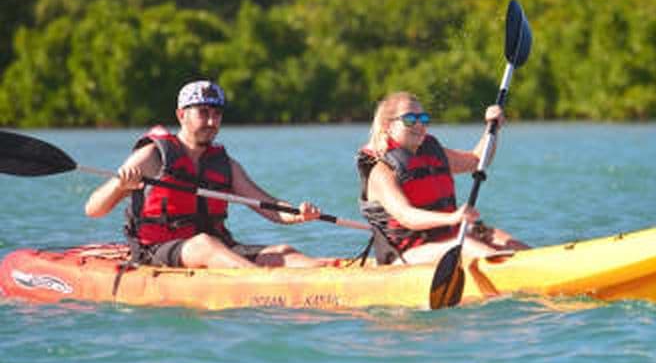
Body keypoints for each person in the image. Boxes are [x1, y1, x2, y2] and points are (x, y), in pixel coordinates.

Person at [85, 80, 326, 269]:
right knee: (205, 245)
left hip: (218, 246)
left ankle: (333, 274)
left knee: (284, 253)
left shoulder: (224, 164)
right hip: (156, 250)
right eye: (203, 112)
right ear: (181, 115)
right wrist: (119, 186)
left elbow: (270, 207)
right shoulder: (152, 157)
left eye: (217, 114)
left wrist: (298, 215)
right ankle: (264, 284)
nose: (211, 121)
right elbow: (94, 210)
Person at [356, 90, 528, 265]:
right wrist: (452, 218)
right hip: (404, 256)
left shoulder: (431, 152)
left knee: (501, 239)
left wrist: (493, 128)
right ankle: (508, 271)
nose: (418, 125)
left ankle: (535, 266)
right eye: (409, 119)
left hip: (444, 238)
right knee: (464, 246)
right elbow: (406, 215)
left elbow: (477, 160)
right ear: (388, 126)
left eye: (423, 119)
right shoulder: (381, 170)